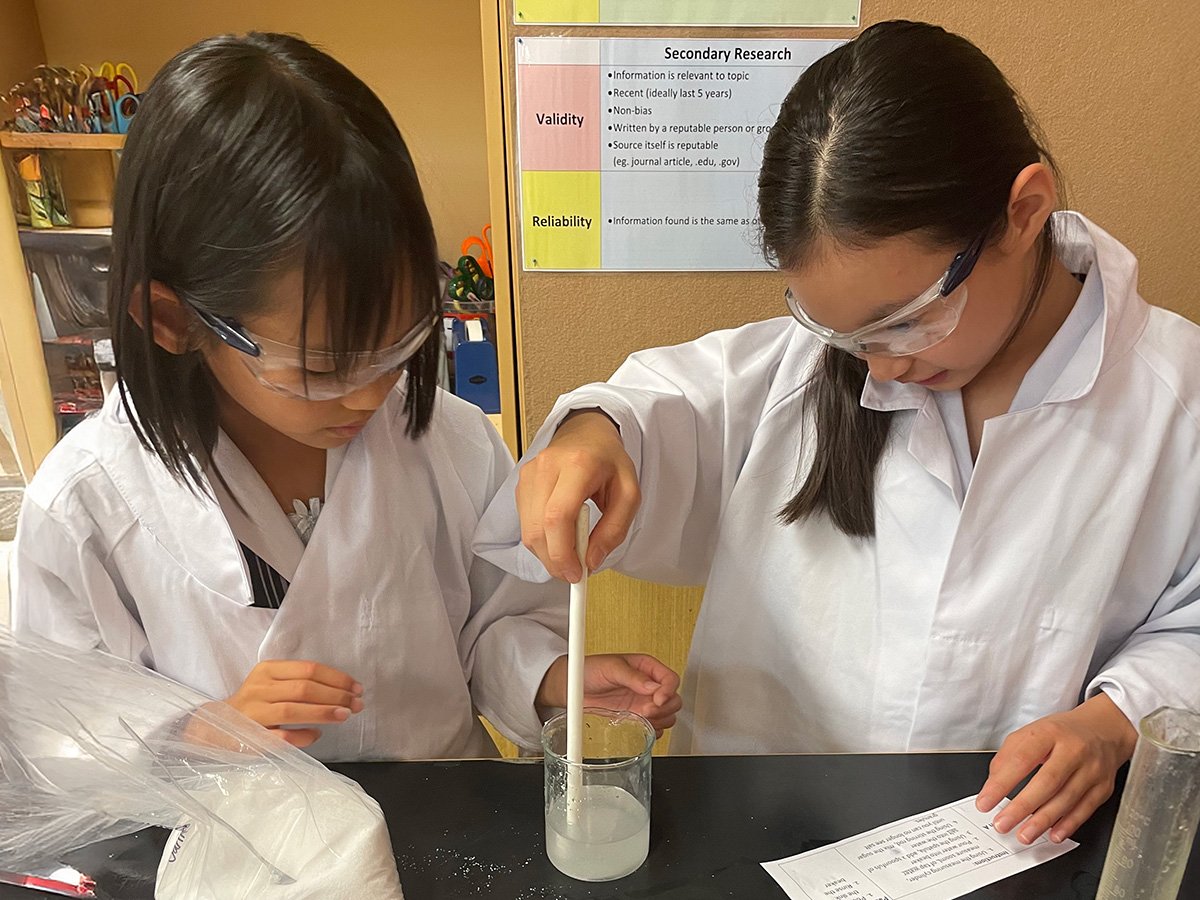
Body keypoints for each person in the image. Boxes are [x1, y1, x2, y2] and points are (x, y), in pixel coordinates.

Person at [475, 20, 1200, 844]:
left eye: (906, 322)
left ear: (1024, 211)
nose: (878, 371)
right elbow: (655, 405)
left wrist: (1114, 723)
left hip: (1010, 848)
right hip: (764, 840)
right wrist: (595, 431)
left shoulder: (1176, 405)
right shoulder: (796, 374)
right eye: (847, 337)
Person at [14, 32, 680, 762]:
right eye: (324, 366)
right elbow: (64, 729)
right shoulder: (88, 503)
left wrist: (551, 678)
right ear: (173, 320)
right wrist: (199, 732)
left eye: (400, 343)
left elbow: (491, 623)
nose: (370, 394)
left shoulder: (448, 443)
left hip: (444, 820)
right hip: (243, 844)